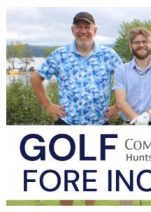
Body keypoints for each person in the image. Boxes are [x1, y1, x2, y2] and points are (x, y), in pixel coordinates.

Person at [31, 11, 122, 206]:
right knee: (67, 179)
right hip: (67, 124)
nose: (83, 31)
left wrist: (118, 106)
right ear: (73, 30)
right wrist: (48, 105)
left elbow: (126, 80)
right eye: (79, 27)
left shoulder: (109, 54)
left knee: (91, 178)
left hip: (99, 124)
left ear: (94, 30)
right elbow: (36, 78)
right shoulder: (60, 54)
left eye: (87, 27)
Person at [113, 27, 151, 205]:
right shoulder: (121, 70)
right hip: (128, 129)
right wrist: (137, 120)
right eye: (137, 42)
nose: (141, 45)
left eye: (144, 41)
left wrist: (146, 116)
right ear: (131, 46)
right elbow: (120, 102)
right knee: (127, 183)